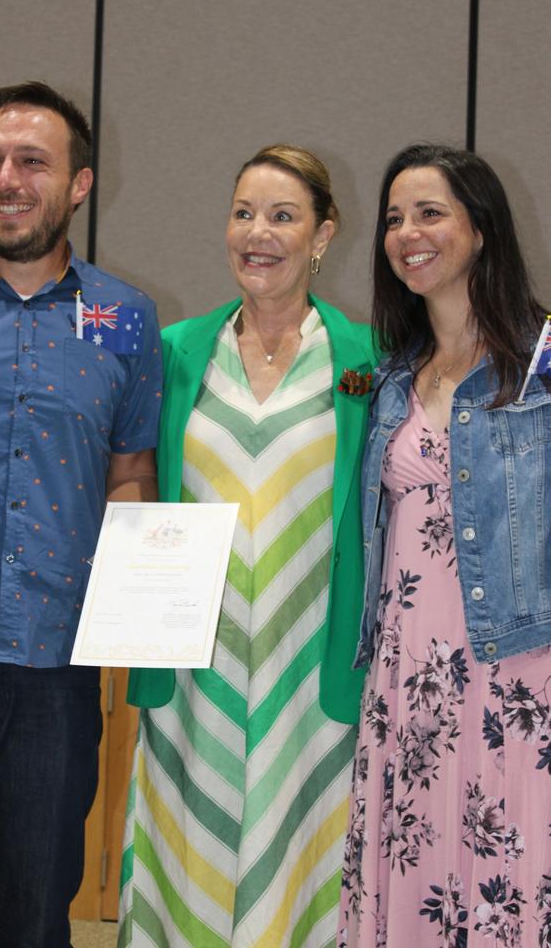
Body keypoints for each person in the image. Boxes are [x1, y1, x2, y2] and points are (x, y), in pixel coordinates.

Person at [0, 81, 161, 947]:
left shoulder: (122, 317)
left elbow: (131, 470)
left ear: (80, 184)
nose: (6, 178)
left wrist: (137, 598)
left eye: (32, 161)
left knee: (41, 911)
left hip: (54, 666)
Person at [119, 144, 377, 946]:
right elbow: (135, 482)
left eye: (282, 216)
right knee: (182, 862)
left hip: (313, 666)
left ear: (323, 236)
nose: (256, 233)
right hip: (196, 669)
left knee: (304, 865)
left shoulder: (369, 362)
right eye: (242, 213)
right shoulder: (175, 352)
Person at [337, 143, 551, 947]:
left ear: (483, 229)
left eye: (430, 212)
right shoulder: (395, 376)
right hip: (407, 674)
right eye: (394, 217)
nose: (406, 233)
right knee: (417, 862)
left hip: (516, 668)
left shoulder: (541, 364)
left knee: (505, 866)